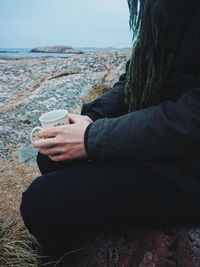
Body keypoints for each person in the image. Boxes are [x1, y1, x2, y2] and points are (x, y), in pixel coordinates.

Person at [20, 0, 200, 243]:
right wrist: (93, 116)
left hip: (190, 163)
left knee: (40, 202)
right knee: (52, 155)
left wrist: (92, 138)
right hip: (167, 139)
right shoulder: (162, 11)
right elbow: (135, 77)